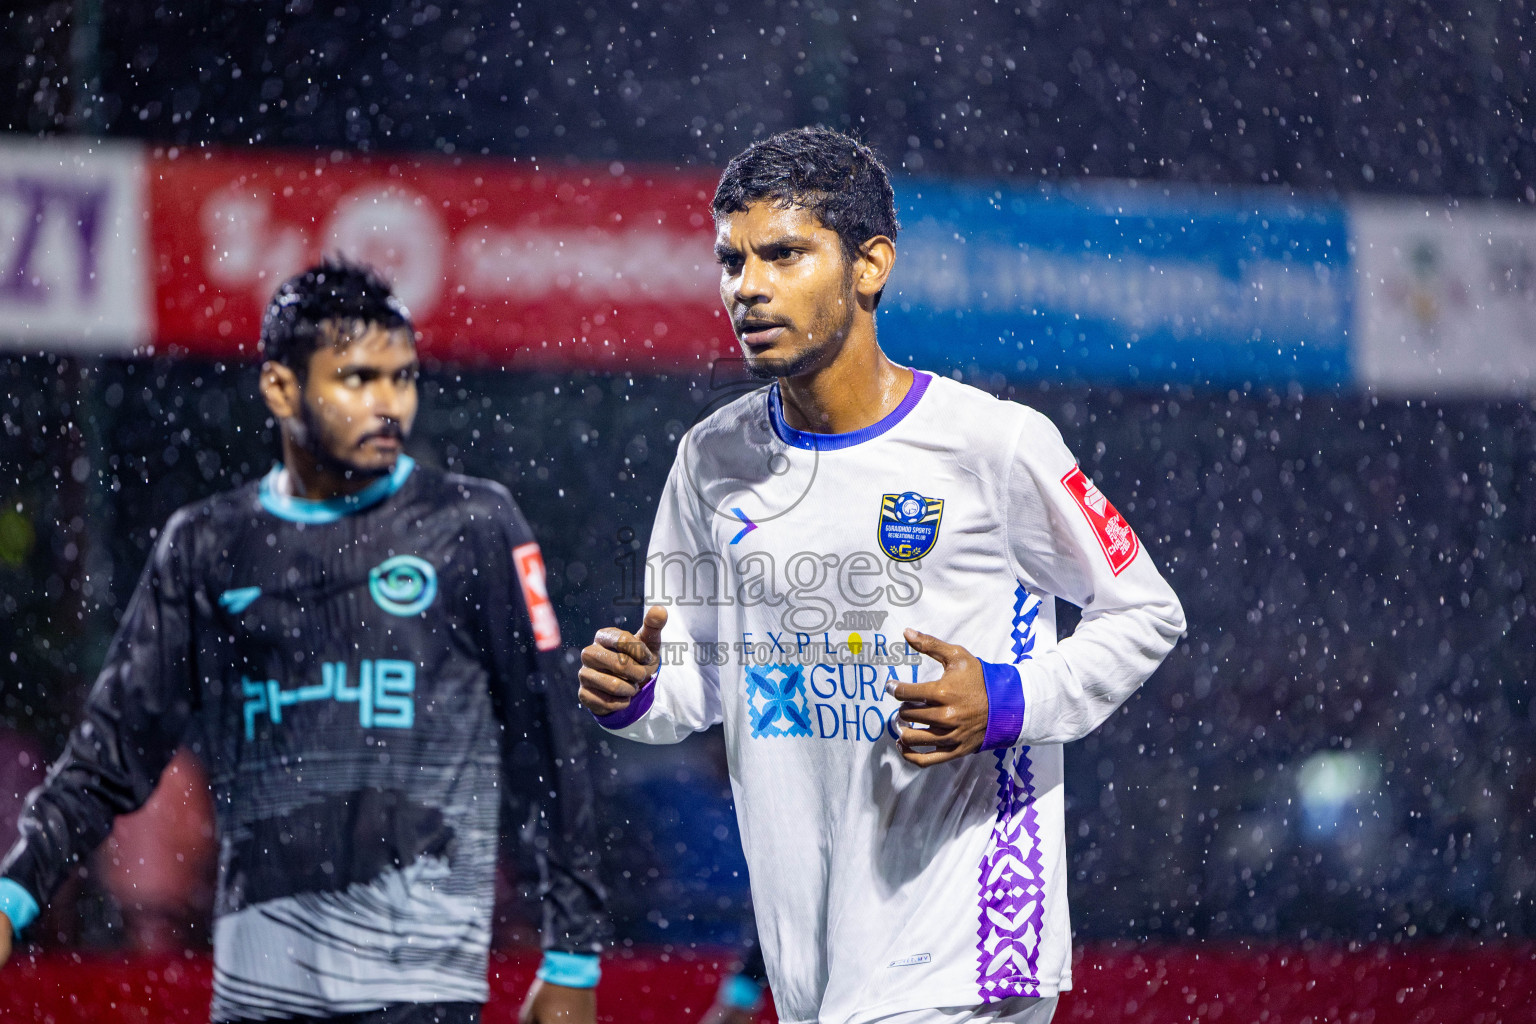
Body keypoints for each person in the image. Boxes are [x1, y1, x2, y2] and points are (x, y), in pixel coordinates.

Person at [578, 127, 1186, 1024]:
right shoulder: (710, 460)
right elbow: (702, 676)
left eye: (784, 254)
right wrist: (633, 693)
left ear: (870, 266)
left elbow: (1147, 613)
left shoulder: (994, 445)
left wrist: (1009, 699)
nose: (747, 286)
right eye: (732, 260)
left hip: (970, 948)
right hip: (812, 962)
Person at [0, 259, 608, 1024]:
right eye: (357, 379)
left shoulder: (473, 527)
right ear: (281, 389)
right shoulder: (208, 544)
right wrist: (13, 893)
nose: (389, 403)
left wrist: (572, 956)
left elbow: (550, 744)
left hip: (420, 988)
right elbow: (111, 753)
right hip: (262, 989)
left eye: (404, 378)